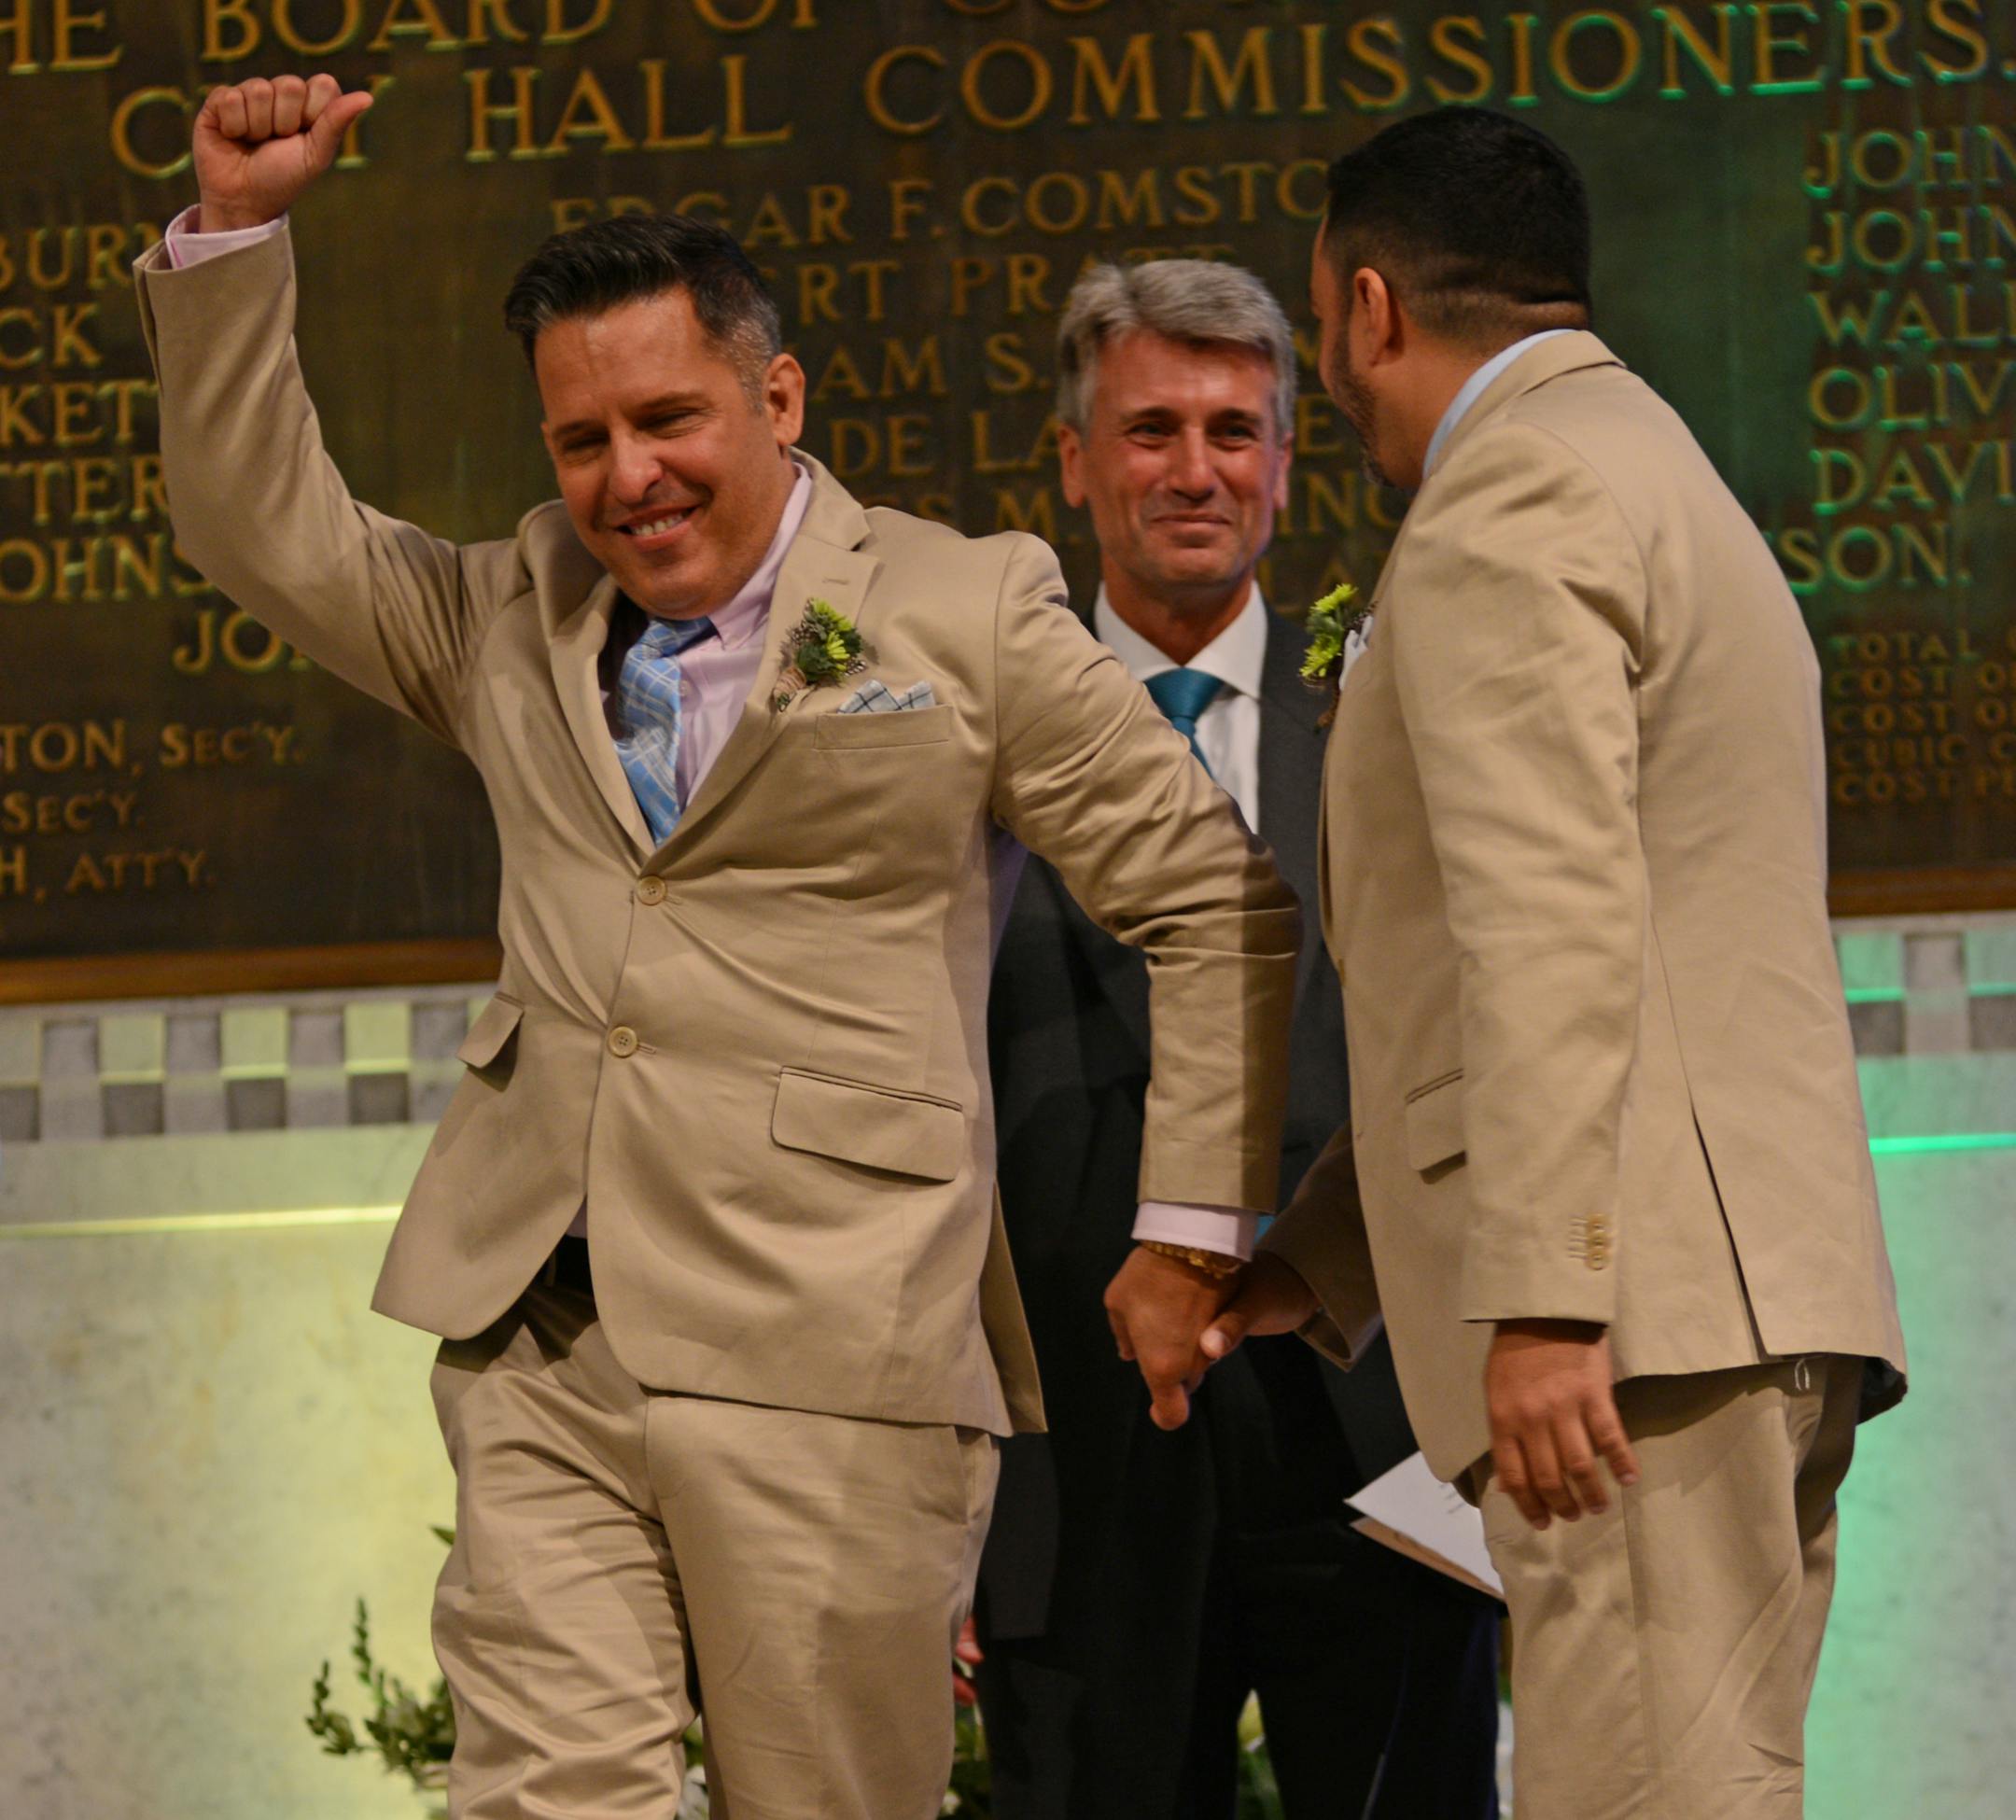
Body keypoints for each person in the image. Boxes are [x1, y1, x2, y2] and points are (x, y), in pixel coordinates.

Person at [135, 76, 1301, 1819]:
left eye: (669, 418)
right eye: (582, 440)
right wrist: (236, 235)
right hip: (543, 1327)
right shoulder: (508, 609)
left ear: (778, 397)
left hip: (833, 1345)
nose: (629, 477)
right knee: (544, 1798)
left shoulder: (960, 607)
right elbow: (260, 526)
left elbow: (1213, 899)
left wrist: (1191, 1229)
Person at [1129, 106, 1909, 1817]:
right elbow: (1608, 939)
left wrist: (1549, 1306)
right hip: (1729, 1297)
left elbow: (1549, 924)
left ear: (1369, 306)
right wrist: (1325, 1255)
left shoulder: (1507, 498)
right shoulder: (1650, 461)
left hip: (1635, 1327)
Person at [973, 259, 1501, 1818]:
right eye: (1150, 430)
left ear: (1282, 461)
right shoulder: (963, 734)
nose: (1193, 470)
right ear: (1075, 461)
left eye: (1232, 431)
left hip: (1376, 1423)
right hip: (1070, 1451)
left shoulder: (1397, 711)